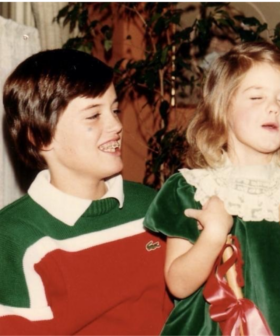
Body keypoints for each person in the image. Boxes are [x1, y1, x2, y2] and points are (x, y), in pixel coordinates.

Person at [144, 40, 280, 335]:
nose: (274, 107)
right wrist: (214, 234)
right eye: (256, 97)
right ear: (222, 108)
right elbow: (179, 285)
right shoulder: (192, 189)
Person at [0, 49, 171, 334]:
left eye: (114, 110)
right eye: (93, 116)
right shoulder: (14, 236)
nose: (116, 126)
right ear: (41, 136)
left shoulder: (150, 204)